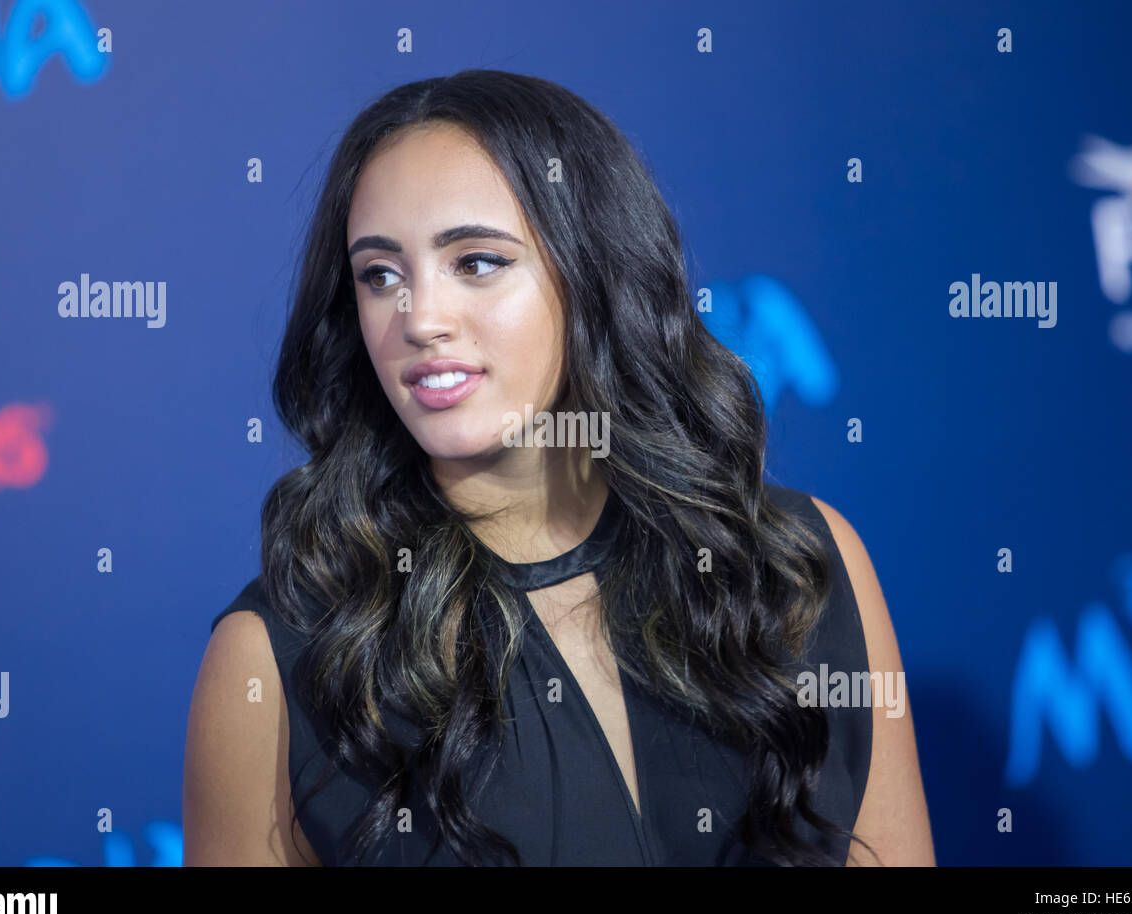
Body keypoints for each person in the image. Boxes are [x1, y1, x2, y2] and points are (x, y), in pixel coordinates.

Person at [182, 69, 935, 866]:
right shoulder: (281, 659)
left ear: (595, 272)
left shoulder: (797, 567)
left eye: (476, 262)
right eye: (380, 275)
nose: (420, 318)